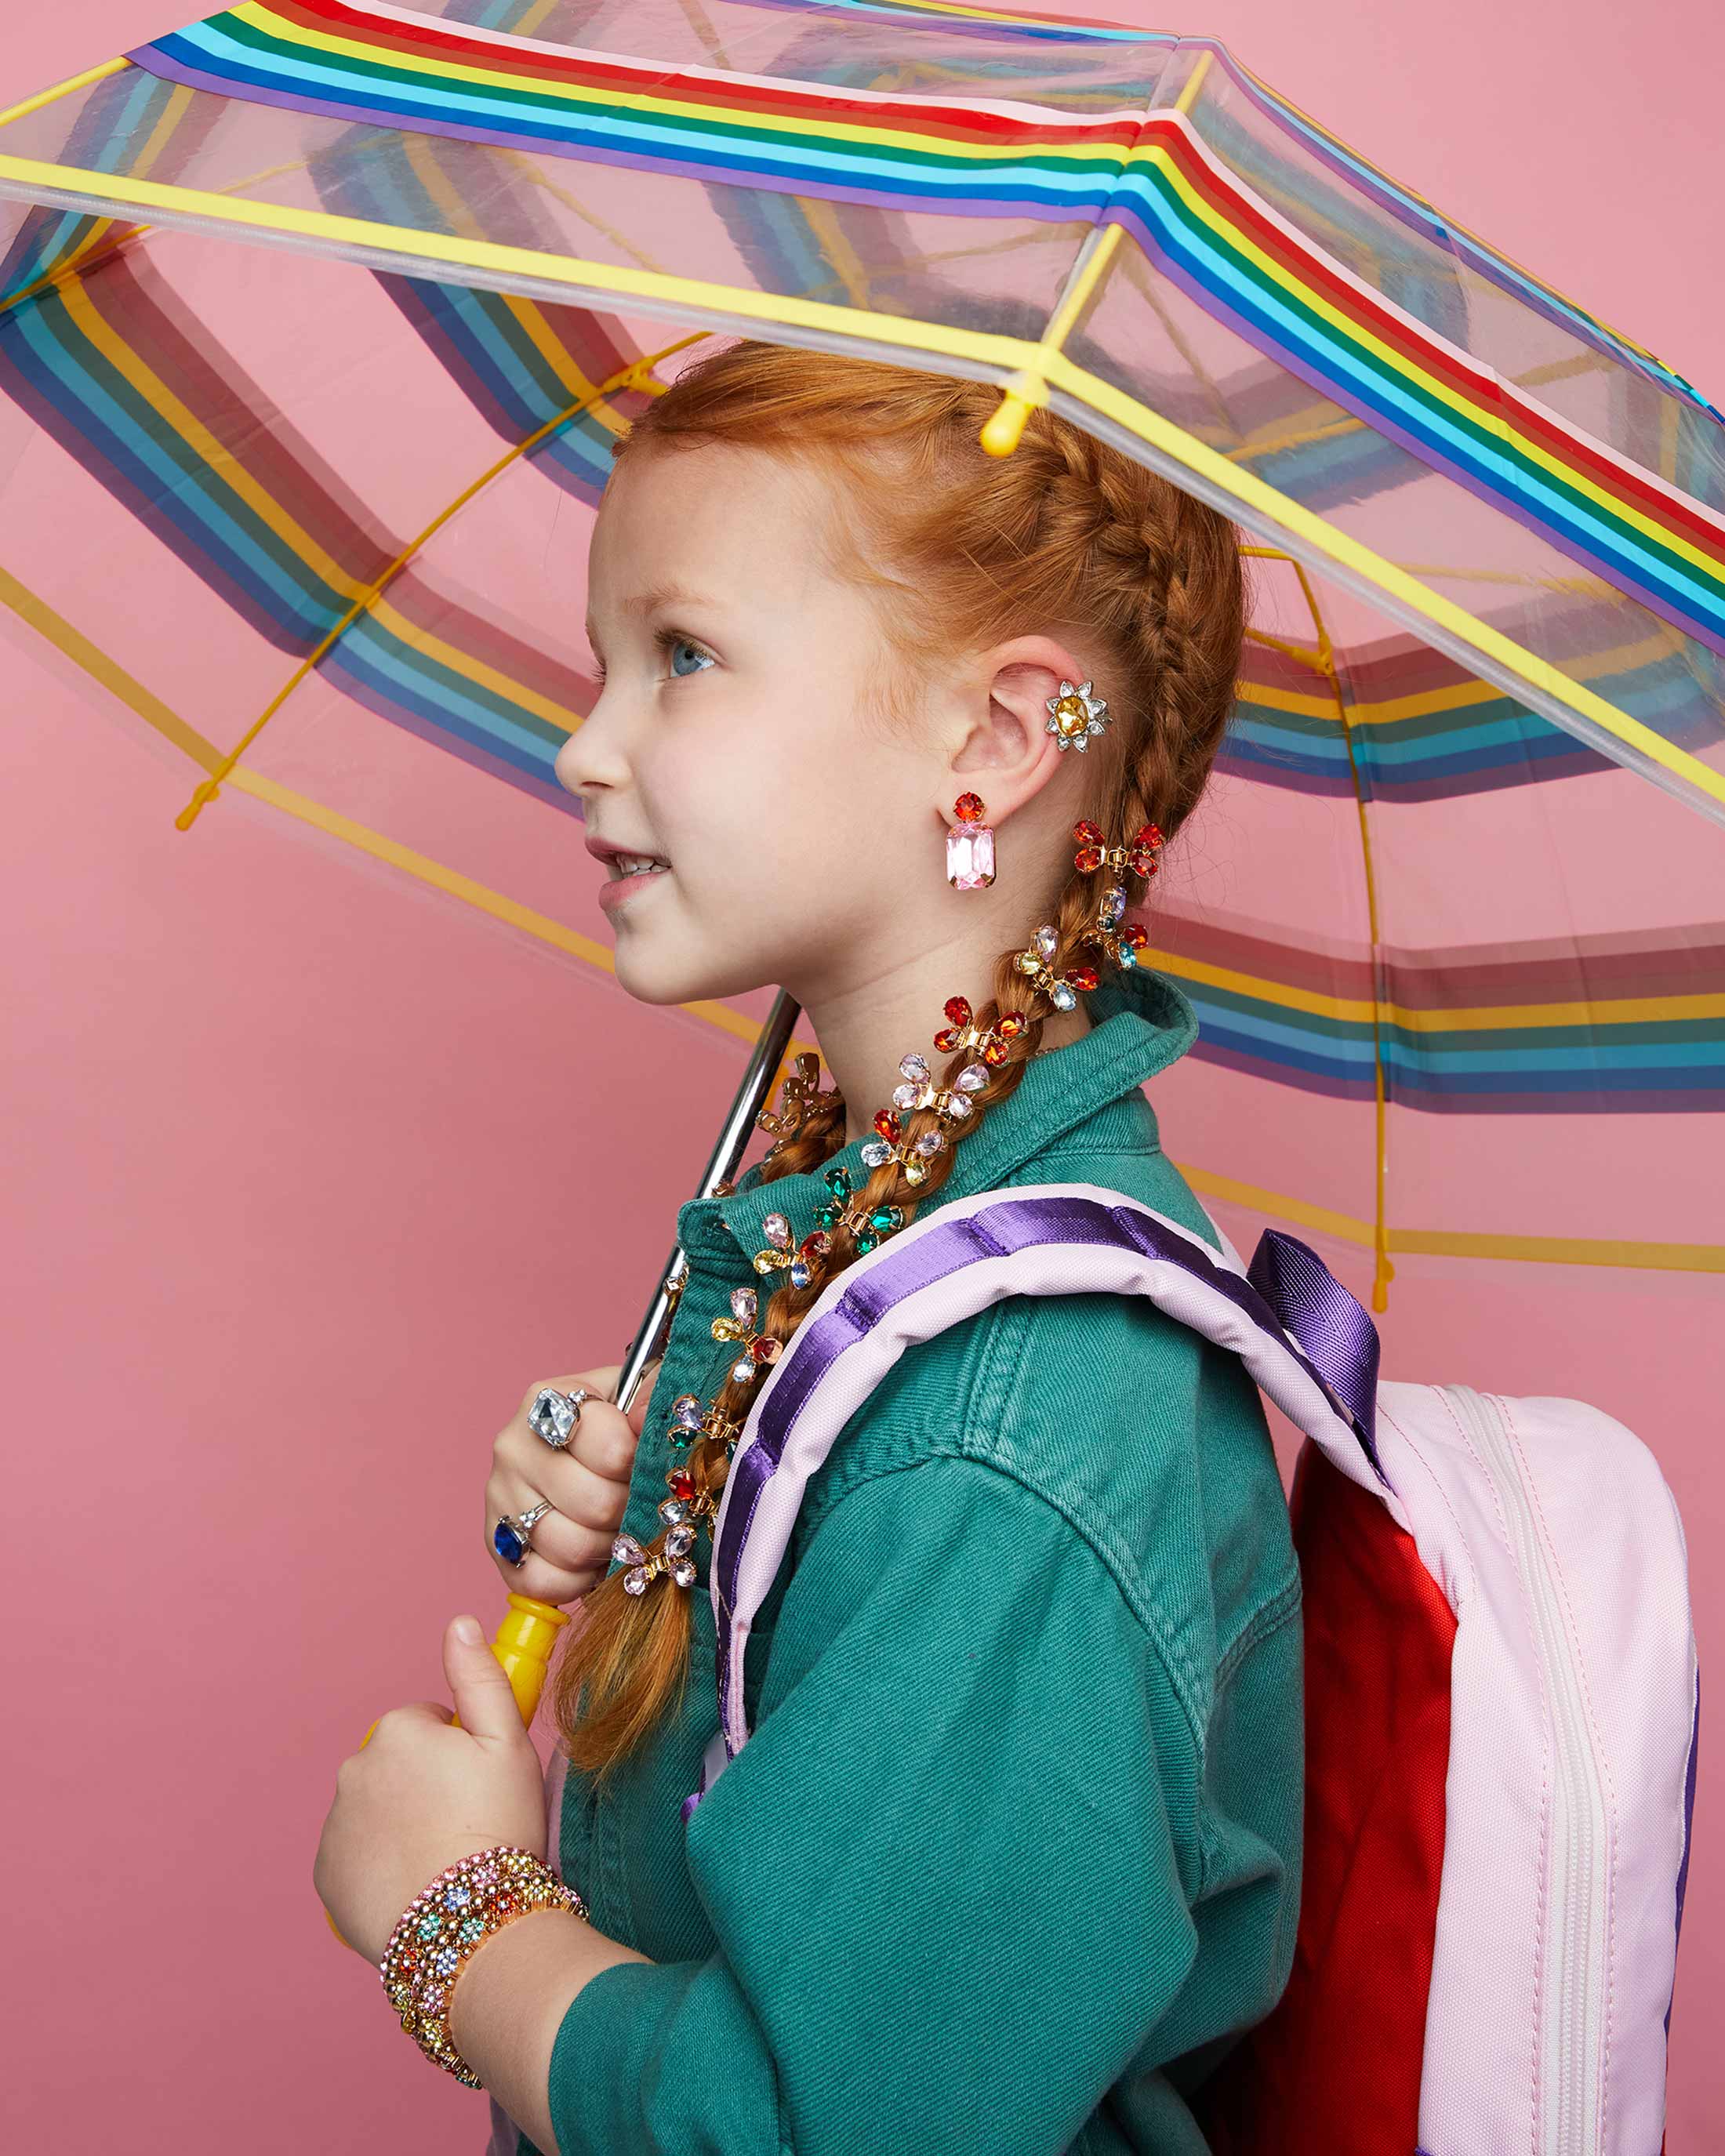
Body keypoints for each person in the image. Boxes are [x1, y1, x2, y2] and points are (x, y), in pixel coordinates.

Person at [314, 339, 1303, 2156]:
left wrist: (461, 1925)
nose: (584, 741)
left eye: (680, 657)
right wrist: (649, 1535)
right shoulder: (853, 1214)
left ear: (997, 741)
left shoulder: (1009, 1436)